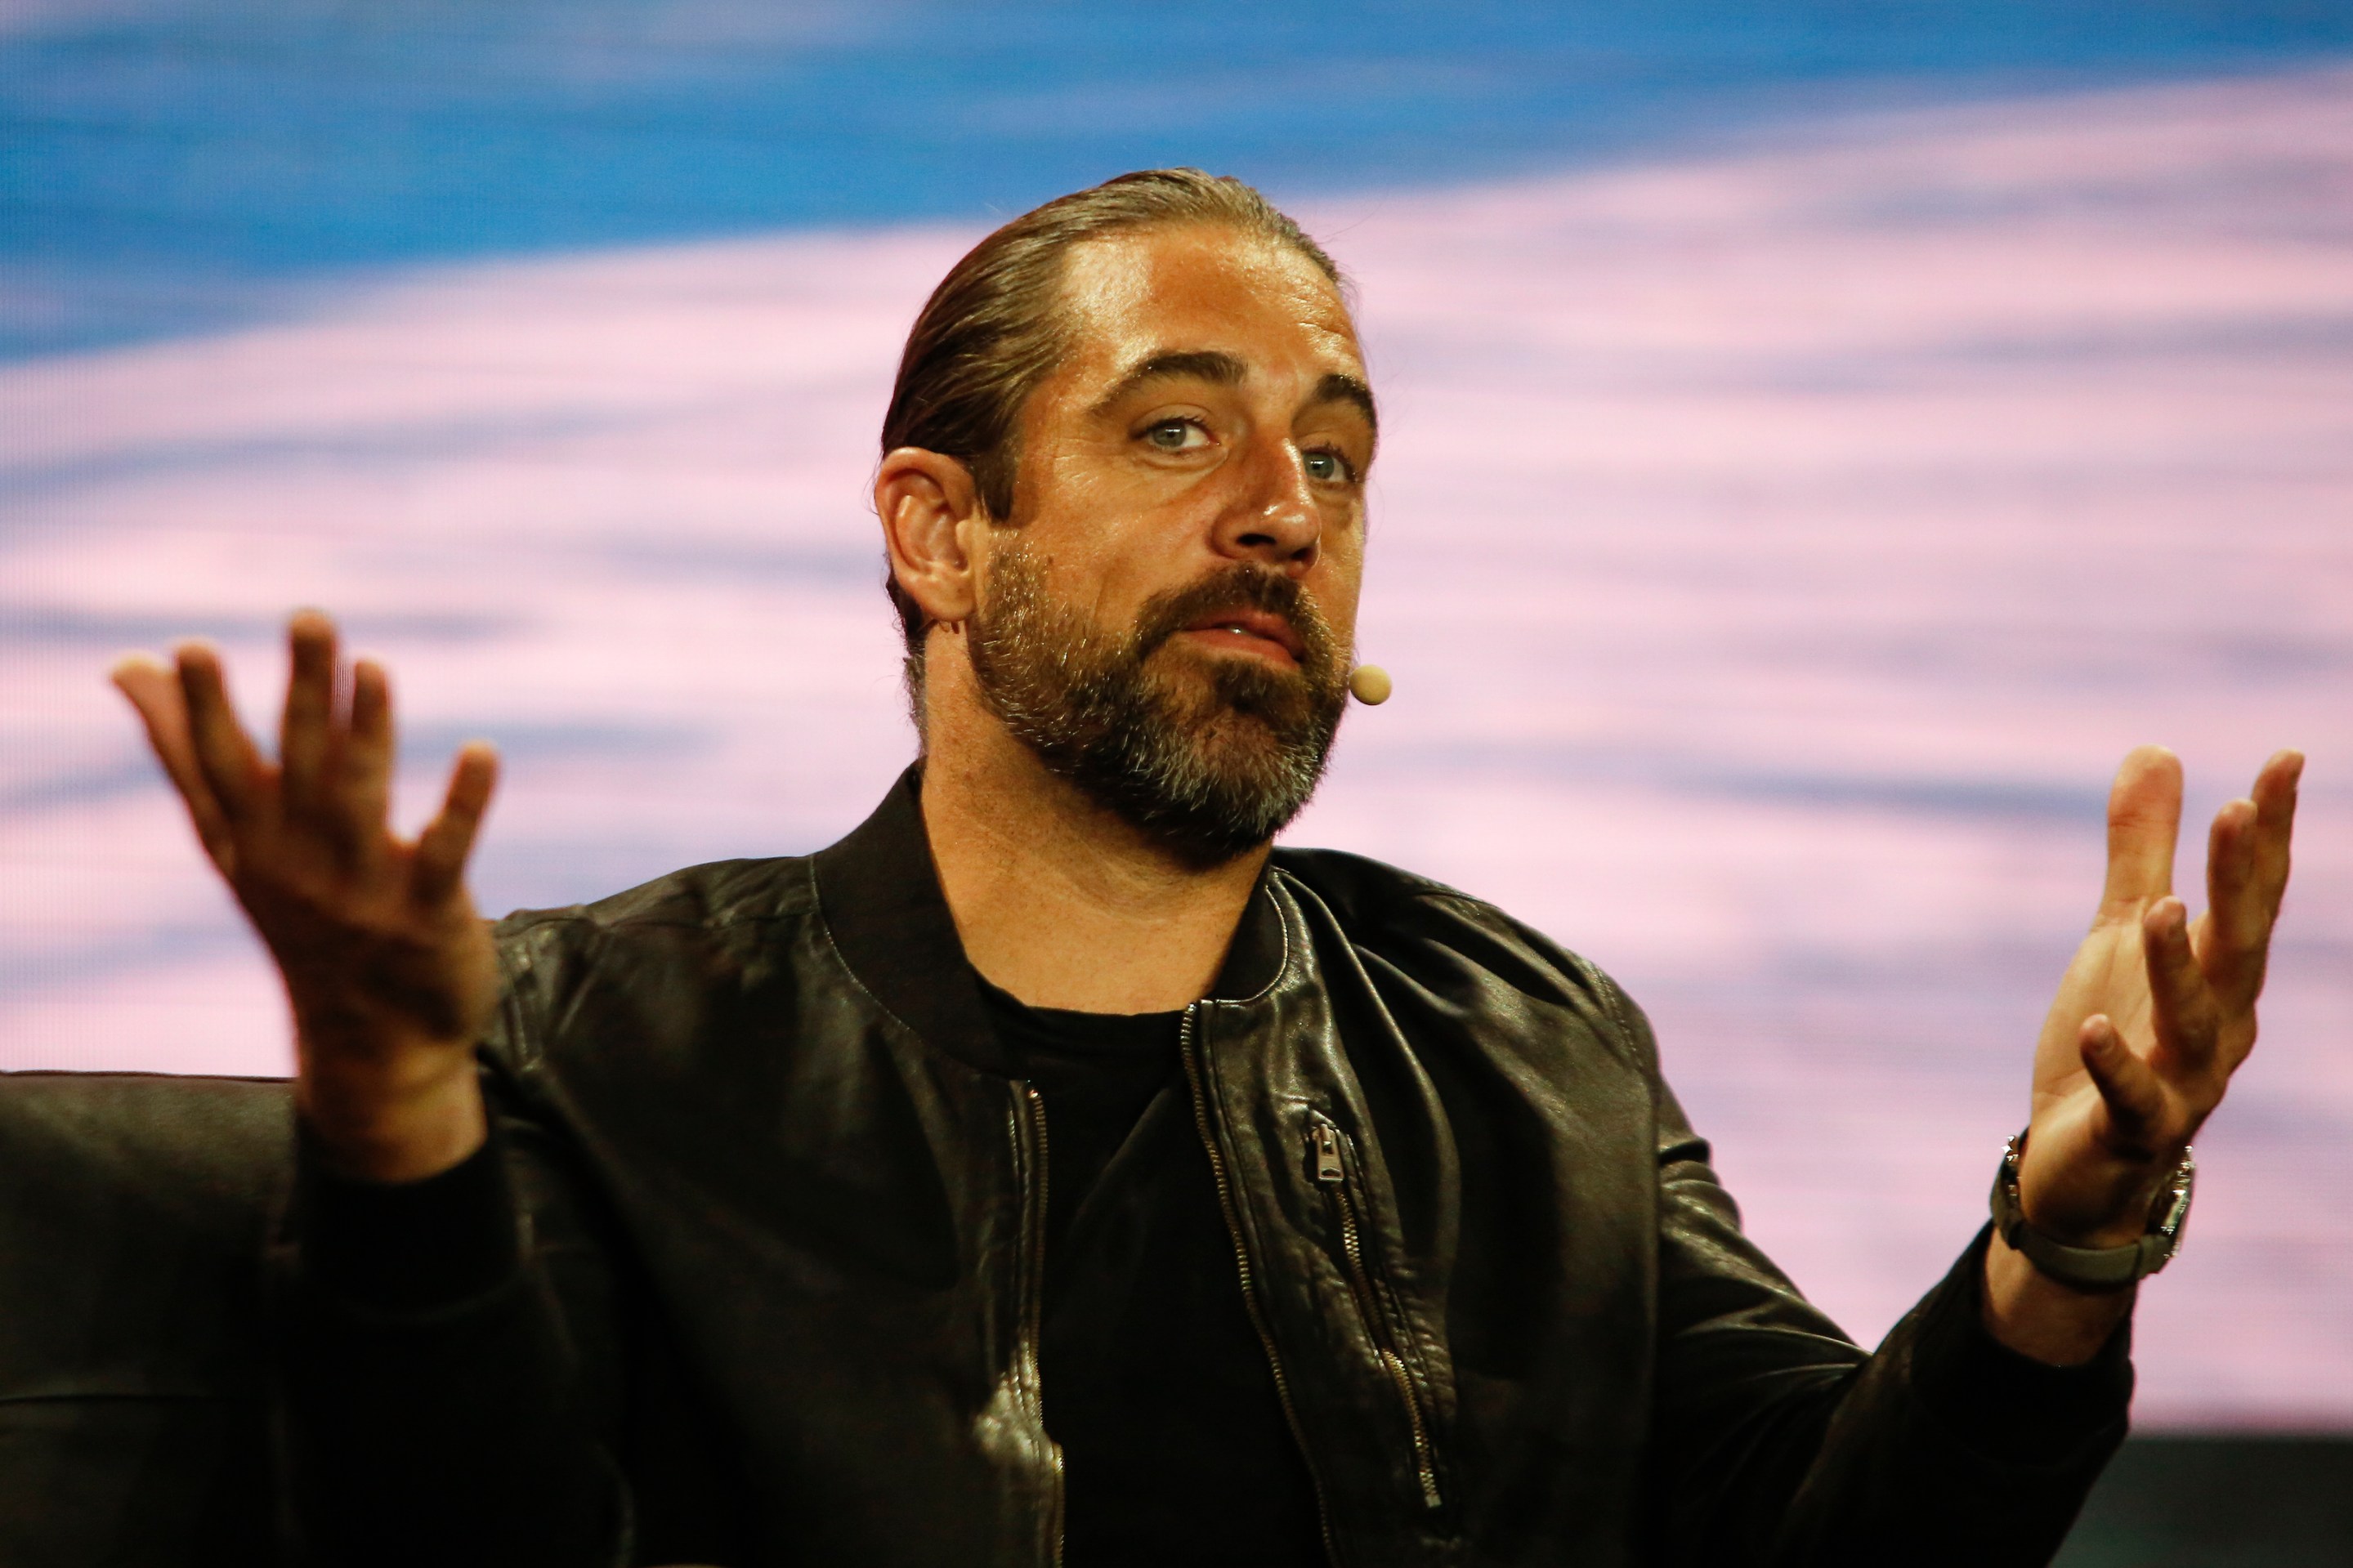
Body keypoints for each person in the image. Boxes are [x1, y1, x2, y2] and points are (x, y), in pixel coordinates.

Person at [109, 170, 2301, 1568]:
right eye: (1179, 428)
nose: (1287, 507)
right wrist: (396, 1111)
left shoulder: (1530, 1049)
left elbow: (1822, 1539)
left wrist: (2065, 1243)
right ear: (941, 531)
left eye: (1336, 454)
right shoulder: (602, 1030)